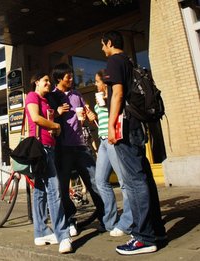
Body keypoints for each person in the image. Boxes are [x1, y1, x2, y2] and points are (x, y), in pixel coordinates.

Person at [101, 30, 166, 255]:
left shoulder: (114, 61)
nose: (102, 49)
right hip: (137, 126)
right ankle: (156, 232)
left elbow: (118, 94)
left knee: (135, 181)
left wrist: (110, 126)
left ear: (109, 43)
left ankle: (143, 238)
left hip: (125, 128)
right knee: (145, 179)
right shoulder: (128, 61)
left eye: (103, 45)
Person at [47, 63, 105, 237]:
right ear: (59, 79)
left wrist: (89, 115)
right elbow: (46, 118)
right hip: (62, 148)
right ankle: (70, 220)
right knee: (63, 188)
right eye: (68, 77)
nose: (71, 79)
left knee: (95, 182)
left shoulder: (77, 94)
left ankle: (105, 217)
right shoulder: (52, 96)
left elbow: (85, 115)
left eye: (71, 76)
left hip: (81, 146)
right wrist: (57, 112)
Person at [25, 72, 72, 254]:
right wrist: (56, 126)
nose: (48, 83)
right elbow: (35, 118)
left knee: (40, 190)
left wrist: (53, 129)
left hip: (48, 147)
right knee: (54, 190)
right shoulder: (32, 96)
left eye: (49, 81)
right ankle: (63, 235)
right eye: (45, 80)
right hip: (41, 149)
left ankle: (41, 232)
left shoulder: (46, 101)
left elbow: (45, 121)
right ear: (36, 82)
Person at [92, 69, 133, 237]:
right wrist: (92, 115)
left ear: (104, 83)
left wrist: (106, 103)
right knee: (100, 180)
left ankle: (128, 222)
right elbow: (101, 119)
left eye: (97, 81)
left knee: (124, 181)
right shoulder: (100, 98)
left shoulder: (112, 96)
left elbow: (116, 114)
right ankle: (110, 222)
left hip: (113, 140)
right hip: (102, 140)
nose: (95, 84)